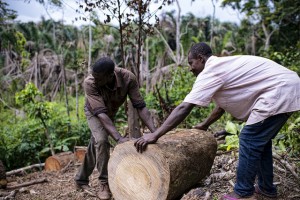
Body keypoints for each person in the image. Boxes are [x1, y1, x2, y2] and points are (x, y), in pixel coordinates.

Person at [134, 42, 300, 199]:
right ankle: (266, 188)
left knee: (249, 138)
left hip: (280, 90)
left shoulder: (211, 70)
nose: (191, 68)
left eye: (191, 63)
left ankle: (243, 193)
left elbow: (185, 107)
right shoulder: (221, 67)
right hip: (288, 86)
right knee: (260, 142)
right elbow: (220, 107)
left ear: (201, 58)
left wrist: (155, 135)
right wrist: (205, 124)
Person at [75, 57, 156, 199]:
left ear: (110, 75)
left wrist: (156, 133)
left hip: (109, 111)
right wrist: (118, 138)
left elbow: (140, 106)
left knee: (95, 143)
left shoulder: (128, 78)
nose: (96, 80)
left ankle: (80, 179)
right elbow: (100, 114)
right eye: (95, 77)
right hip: (95, 112)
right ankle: (104, 183)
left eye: (99, 78)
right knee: (101, 141)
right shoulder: (90, 83)